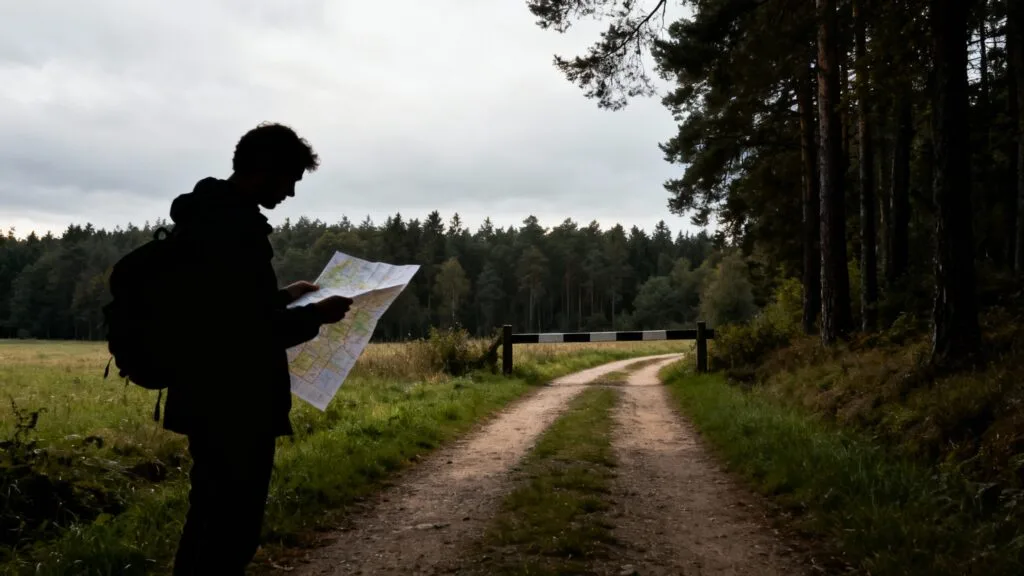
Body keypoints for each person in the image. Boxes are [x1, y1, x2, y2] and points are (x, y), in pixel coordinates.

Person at [164, 122, 352, 575]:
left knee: (209, 515)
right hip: (236, 402)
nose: (289, 193)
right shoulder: (235, 230)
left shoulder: (206, 218)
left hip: (203, 394)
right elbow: (250, 331)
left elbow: (228, 311)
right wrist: (316, 315)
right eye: (289, 180)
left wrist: (287, 295)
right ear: (264, 171)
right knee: (230, 529)